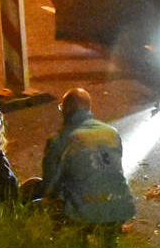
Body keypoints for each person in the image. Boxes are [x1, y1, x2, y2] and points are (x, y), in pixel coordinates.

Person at [40, 87, 137, 225]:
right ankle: (109, 238)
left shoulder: (59, 140)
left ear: (66, 110)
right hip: (121, 208)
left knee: (51, 203)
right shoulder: (112, 133)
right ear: (88, 108)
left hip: (85, 213)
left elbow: (50, 185)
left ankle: (75, 242)